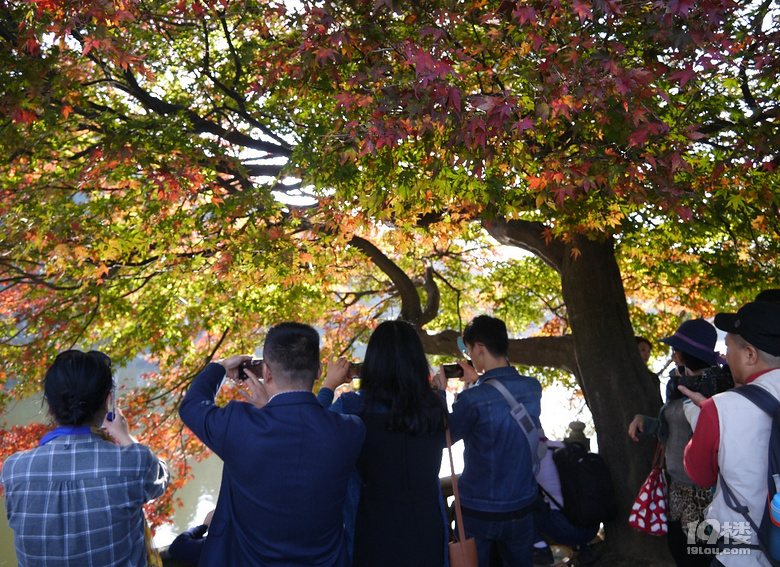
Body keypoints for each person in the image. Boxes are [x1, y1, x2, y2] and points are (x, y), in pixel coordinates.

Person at [178, 322, 366, 566]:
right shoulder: (351, 430)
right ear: (319, 370)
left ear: (266, 372)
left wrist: (220, 367)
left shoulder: (238, 426)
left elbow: (192, 406)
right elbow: (309, 427)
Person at [1, 349, 170, 567]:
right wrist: (124, 436)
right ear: (107, 401)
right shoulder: (133, 464)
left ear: (49, 405)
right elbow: (161, 475)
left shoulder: (14, 470)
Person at [317, 320, 448, 567]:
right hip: (427, 525)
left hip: (373, 528)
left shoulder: (352, 408)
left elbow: (307, 434)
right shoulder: (435, 406)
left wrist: (328, 386)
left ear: (373, 362)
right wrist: (439, 391)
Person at [432, 315, 542, 567]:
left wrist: (440, 393)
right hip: (522, 505)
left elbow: (443, 438)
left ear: (479, 348)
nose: (470, 355)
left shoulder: (472, 399)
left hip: (478, 511)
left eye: (469, 349)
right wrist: (478, 380)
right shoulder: (532, 388)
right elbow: (504, 396)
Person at [684, 301, 780, 567]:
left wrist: (699, 412)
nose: (725, 357)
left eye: (728, 347)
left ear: (750, 354)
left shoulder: (720, 407)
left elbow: (700, 475)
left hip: (741, 554)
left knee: (696, 543)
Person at [628, 319, 722, 566]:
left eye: (676, 350)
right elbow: (669, 428)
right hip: (676, 488)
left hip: (704, 495)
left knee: (700, 555)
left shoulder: (717, 388)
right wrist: (644, 422)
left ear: (684, 354)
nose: (673, 354)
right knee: (679, 551)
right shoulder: (676, 384)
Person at [532, 431, 599, 566]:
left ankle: (540, 550)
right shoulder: (562, 446)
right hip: (593, 526)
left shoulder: (532, 457)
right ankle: (583, 548)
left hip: (567, 531)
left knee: (521, 504)